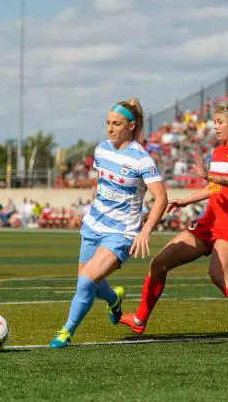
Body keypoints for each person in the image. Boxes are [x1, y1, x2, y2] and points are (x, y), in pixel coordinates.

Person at [119, 102, 228, 345]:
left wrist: (208, 175)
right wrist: (185, 200)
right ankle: (139, 320)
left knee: (217, 273)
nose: (215, 127)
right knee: (159, 263)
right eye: (214, 122)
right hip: (208, 223)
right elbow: (215, 188)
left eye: (219, 122)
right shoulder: (219, 152)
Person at [50, 98, 168, 348]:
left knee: (85, 282)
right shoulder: (101, 149)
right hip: (93, 225)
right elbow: (102, 188)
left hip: (121, 233)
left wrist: (145, 230)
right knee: (88, 280)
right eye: (108, 123)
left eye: (117, 124)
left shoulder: (141, 159)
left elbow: (161, 198)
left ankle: (66, 332)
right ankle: (114, 298)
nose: (110, 129)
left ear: (131, 126)